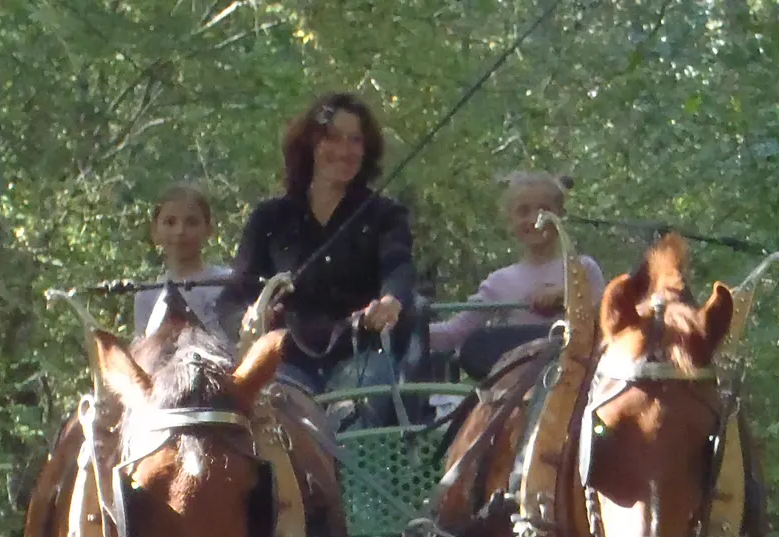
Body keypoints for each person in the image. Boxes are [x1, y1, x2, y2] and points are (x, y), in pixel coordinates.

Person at [216, 92, 421, 418]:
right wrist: (247, 318)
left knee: (352, 413)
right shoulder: (270, 218)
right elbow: (232, 296)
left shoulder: (385, 215)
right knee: (280, 413)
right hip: (287, 359)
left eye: (355, 140)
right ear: (310, 144)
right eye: (333, 138)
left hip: (361, 354)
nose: (344, 151)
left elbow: (398, 266)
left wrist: (391, 300)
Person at [428, 171, 606, 380]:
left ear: (560, 214)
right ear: (510, 220)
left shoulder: (583, 269)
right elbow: (453, 333)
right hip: (519, 388)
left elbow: (605, 319)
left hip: (576, 380)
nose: (534, 220)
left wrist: (566, 294)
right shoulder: (500, 282)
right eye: (523, 212)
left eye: (544, 210)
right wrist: (401, 323)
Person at [131, 182, 228, 338]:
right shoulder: (147, 296)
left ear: (209, 230)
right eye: (170, 222)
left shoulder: (227, 284)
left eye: (192, 222)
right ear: (155, 231)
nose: (180, 231)